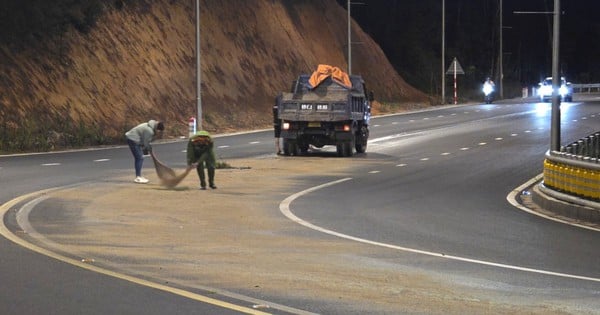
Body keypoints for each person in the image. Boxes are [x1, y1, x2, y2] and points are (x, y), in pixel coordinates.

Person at [125, 119, 164, 183]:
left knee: (140, 158)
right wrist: (148, 148)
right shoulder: (149, 130)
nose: (158, 133)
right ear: (157, 129)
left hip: (134, 138)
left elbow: (144, 142)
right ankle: (138, 177)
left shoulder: (149, 125)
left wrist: (147, 148)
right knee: (139, 158)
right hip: (132, 139)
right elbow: (146, 143)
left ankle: (139, 176)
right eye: (159, 131)